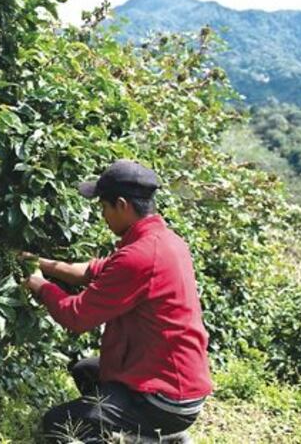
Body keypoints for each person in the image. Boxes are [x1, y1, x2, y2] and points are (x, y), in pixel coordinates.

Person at [21, 159, 212, 443]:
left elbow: (77, 316)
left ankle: (151, 436)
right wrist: (40, 263)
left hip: (166, 400)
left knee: (57, 425)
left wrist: (40, 285)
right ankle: (150, 430)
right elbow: (88, 271)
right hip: (175, 383)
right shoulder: (162, 242)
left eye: (104, 207)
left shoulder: (140, 256)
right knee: (86, 371)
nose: (103, 215)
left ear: (121, 205)